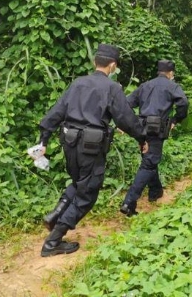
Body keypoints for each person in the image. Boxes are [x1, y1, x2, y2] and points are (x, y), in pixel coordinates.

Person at [33, 44, 145, 257]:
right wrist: (142, 138)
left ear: (95, 62)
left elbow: (55, 112)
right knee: (88, 193)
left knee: (78, 182)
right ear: (112, 66)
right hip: (91, 147)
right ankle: (53, 241)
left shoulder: (78, 83)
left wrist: (43, 140)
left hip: (69, 142)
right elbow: (126, 119)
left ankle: (55, 215)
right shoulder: (112, 88)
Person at [120, 59, 189, 217]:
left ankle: (155, 192)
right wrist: (175, 120)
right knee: (149, 164)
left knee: (150, 160)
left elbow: (126, 103)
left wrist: (126, 123)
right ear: (171, 73)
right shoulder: (172, 86)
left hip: (141, 128)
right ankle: (129, 203)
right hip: (156, 130)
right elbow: (183, 103)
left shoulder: (145, 85)